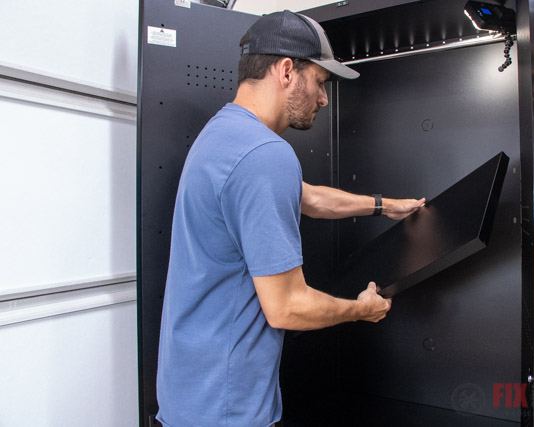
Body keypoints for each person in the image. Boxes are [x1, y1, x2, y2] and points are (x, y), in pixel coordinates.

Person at [156, 10, 425, 427]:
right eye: (320, 82)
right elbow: (287, 307)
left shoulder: (224, 133)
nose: (323, 98)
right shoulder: (266, 155)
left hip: (190, 399)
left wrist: (384, 205)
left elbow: (309, 197)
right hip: (228, 410)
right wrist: (361, 309)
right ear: (286, 71)